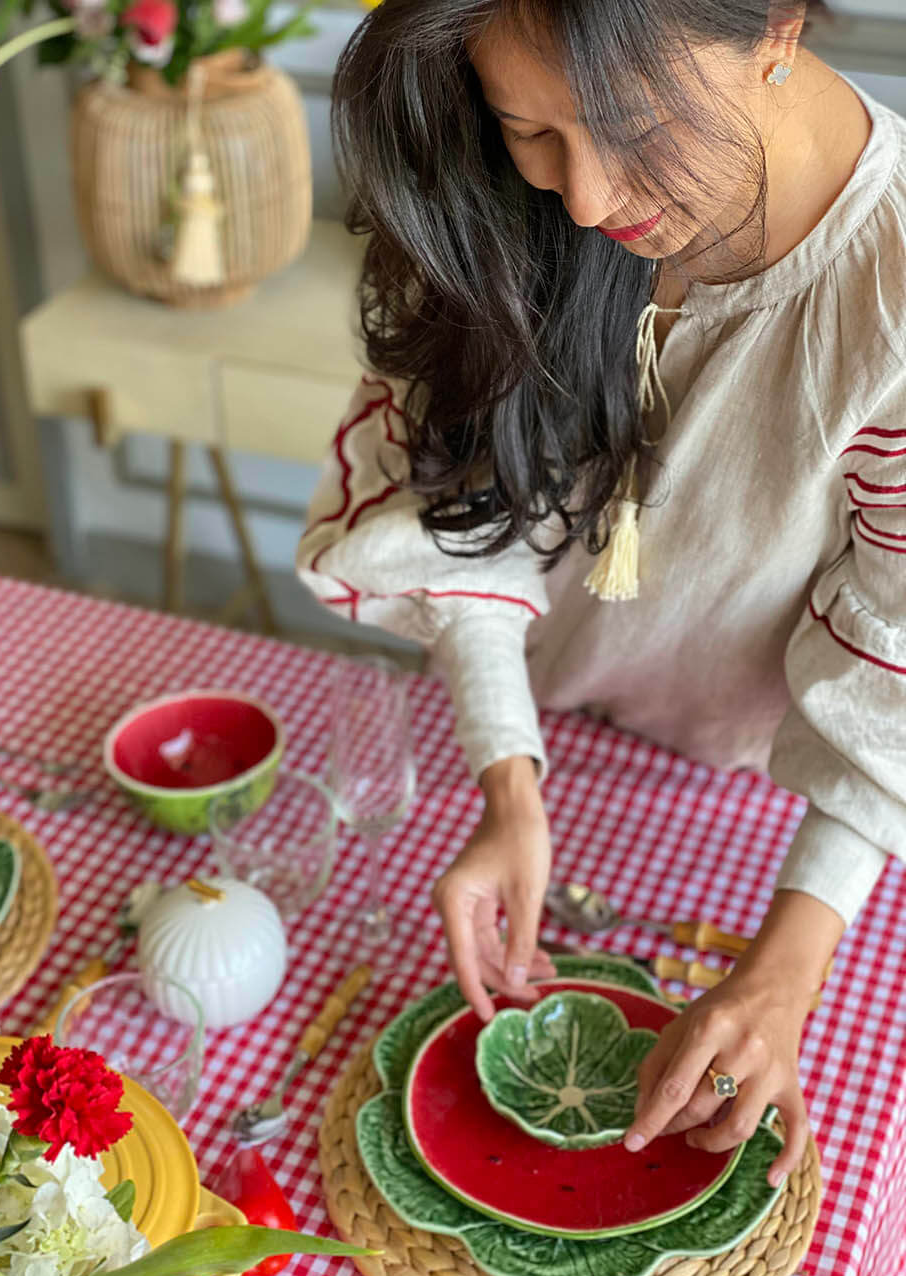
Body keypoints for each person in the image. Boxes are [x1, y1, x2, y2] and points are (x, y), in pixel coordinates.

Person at [297, 0, 906, 1190]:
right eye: (530, 132)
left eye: (626, 125)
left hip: (773, 802)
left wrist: (787, 964)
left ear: (777, 23)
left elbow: (896, 657)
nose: (579, 200)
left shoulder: (887, 296)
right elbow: (461, 502)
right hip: (533, 716)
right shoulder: (515, 191)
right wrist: (506, 775)